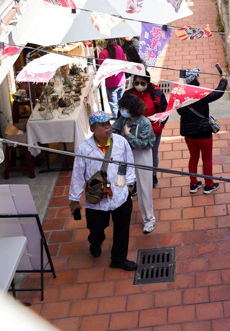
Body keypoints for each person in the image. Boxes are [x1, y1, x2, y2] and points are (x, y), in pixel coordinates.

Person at [68, 111, 138, 271]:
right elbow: (78, 175)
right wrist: (74, 200)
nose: (108, 127)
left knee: (122, 228)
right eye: (103, 125)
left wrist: (129, 185)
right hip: (96, 199)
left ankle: (119, 259)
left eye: (108, 124)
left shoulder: (120, 142)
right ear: (93, 129)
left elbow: (129, 163)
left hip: (120, 195)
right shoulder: (84, 149)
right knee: (96, 228)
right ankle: (95, 241)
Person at [178, 67, 227, 194]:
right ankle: (209, 185)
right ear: (194, 79)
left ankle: (193, 184)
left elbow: (179, 111)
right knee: (207, 159)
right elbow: (218, 92)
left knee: (193, 157)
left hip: (188, 133)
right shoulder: (200, 94)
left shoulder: (179, 95)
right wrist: (224, 79)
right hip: (204, 133)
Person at [112, 93, 156, 234]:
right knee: (121, 184)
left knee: (144, 188)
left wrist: (127, 134)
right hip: (126, 155)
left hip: (142, 156)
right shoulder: (123, 120)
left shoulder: (144, 123)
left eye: (124, 108)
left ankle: (149, 219)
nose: (121, 110)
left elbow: (142, 144)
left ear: (131, 108)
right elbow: (112, 129)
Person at [130, 72, 167, 187]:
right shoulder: (129, 95)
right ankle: (135, 178)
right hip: (135, 133)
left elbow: (164, 113)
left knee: (153, 154)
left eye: (142, 83)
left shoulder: (156, 94)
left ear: (148, 83)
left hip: (153, 132)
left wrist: (157, 128)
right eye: (136, 83)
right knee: (135, 156)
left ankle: (153, 175)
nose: (139, 85)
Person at [97, 39, 126, 116]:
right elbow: (124, 61)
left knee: (113, 104)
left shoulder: (102, 54)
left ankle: (116, 118)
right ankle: (123, 117)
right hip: (121, 80)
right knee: (122, 102)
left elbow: (101, 70)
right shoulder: (119, 48)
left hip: (111, 83)